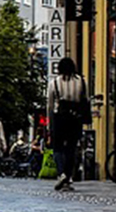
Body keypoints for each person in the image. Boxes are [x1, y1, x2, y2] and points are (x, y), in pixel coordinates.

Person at [49, 58, 89, 192]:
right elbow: (86, 99)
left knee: (58, 147)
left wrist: (50, 123)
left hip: (60, 117)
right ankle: (68, 175)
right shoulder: (82, 82)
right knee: (71, 148)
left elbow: (50, 104)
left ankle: (61, 173)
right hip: (75, 118)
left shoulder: (54, 83)